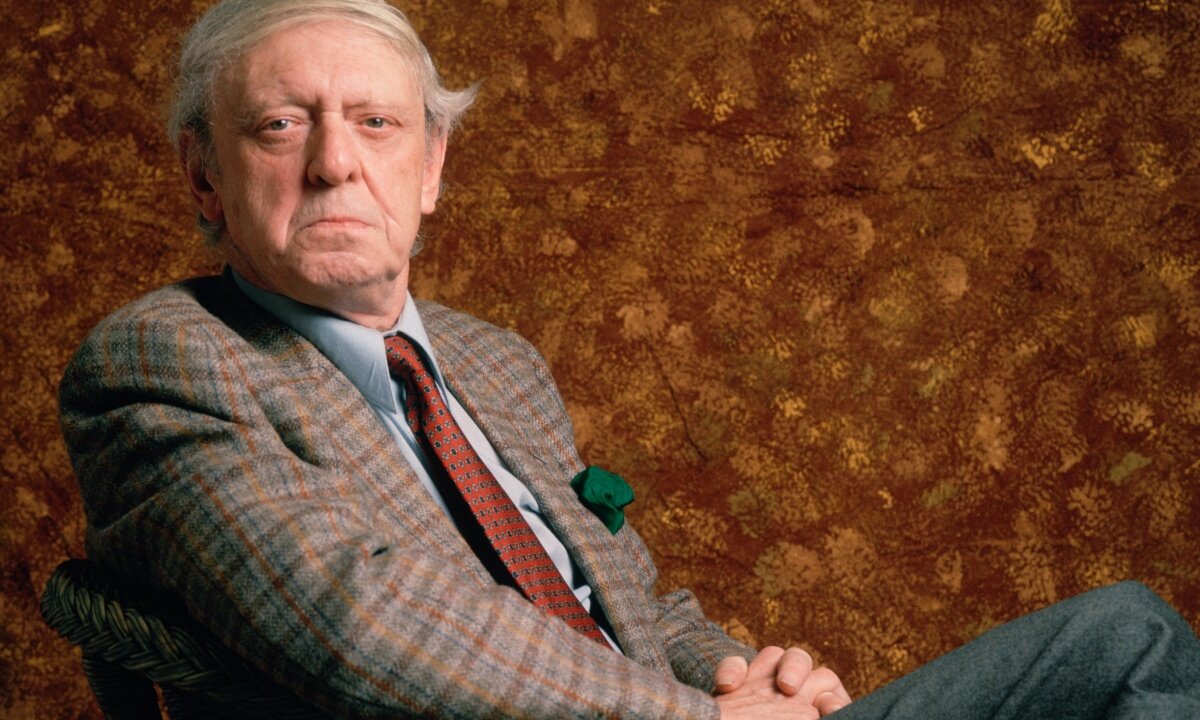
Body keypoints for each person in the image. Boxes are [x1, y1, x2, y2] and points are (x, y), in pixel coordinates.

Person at [58, 1, 1200, 718]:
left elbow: (634, 602)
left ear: (432, 168)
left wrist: (748, 678)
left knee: (1125, 637)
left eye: (376, 122)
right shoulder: (164, 359)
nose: (333, 163)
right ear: (204, 175)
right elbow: (358, 617)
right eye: (279, 125)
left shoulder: (493, 363)